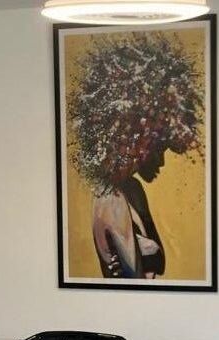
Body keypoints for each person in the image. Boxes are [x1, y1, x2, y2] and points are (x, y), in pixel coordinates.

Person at [66, 30, 205, 280]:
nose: (161, 161)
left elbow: (155, 263)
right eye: (157, 151)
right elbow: (136, 276)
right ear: (135, 143)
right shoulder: (110, 197)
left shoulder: (133, 189)